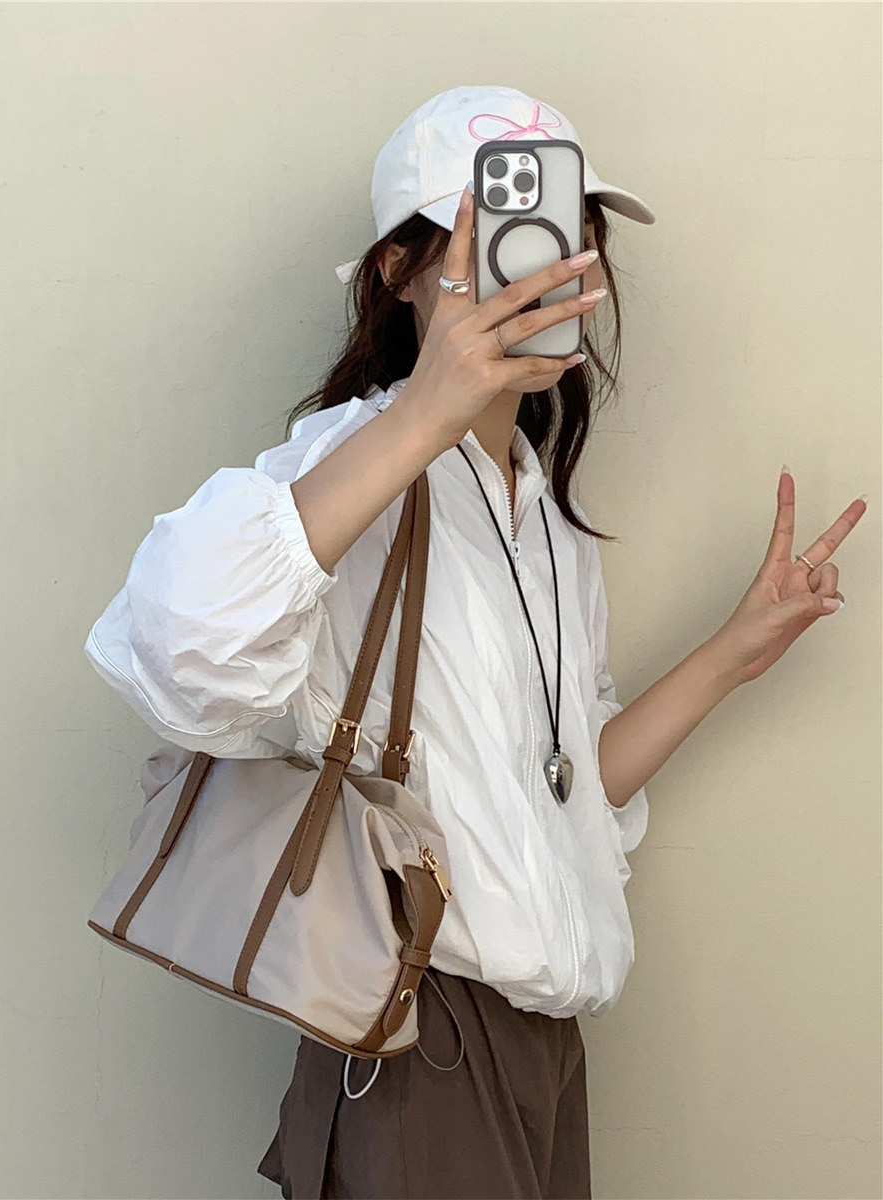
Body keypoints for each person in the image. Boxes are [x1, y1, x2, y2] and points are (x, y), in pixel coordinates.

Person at [84, 85, 862, 1200]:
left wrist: (735, 651)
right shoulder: (342, 474)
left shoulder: (541, 518)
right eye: (502, 239)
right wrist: (420, 415)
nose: (552, 273)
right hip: (418, 1032)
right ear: (399, 271)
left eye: (570, 237)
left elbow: (569, 789)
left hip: (545, 1046)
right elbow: (182, 655)